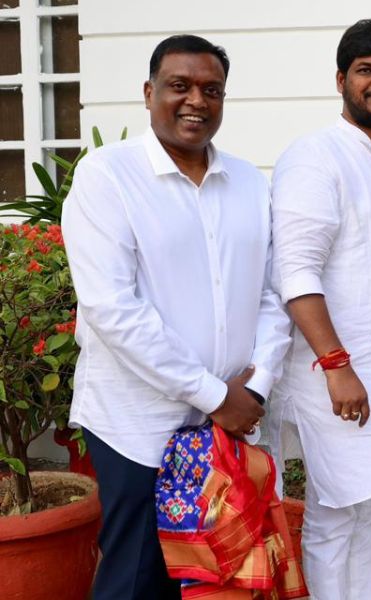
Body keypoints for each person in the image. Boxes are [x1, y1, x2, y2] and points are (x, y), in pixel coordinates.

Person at [61, 34, 291, 599]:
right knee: (138, 577)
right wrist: (216, 395)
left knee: (223, 579)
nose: (196, 101)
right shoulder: (106, 177)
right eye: (179, 86)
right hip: (138, 425)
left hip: (231, 424)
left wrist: (255, 387)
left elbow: (271, 294)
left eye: (211, 90)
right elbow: (113, 310)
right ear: (148, 93)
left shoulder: (246, 181)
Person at [268, 19, 371, 600]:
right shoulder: (314, 157)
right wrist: (337, 364)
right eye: (366, 70)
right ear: (341, 79)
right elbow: (295, 272)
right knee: (337, 510)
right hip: (335, 374)